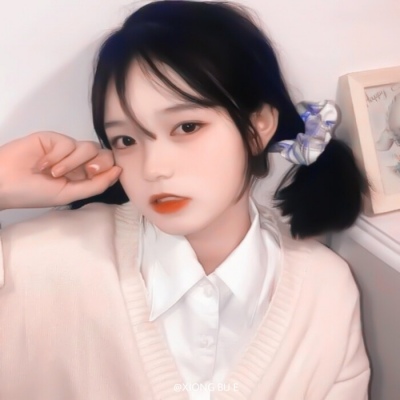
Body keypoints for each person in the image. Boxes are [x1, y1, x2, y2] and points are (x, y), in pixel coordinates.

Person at [0, 1, 370, 399]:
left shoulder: (324, 290)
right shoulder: (42, 261)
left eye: (187, 127)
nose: (153, 168)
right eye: (126, 139)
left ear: (258, 126)